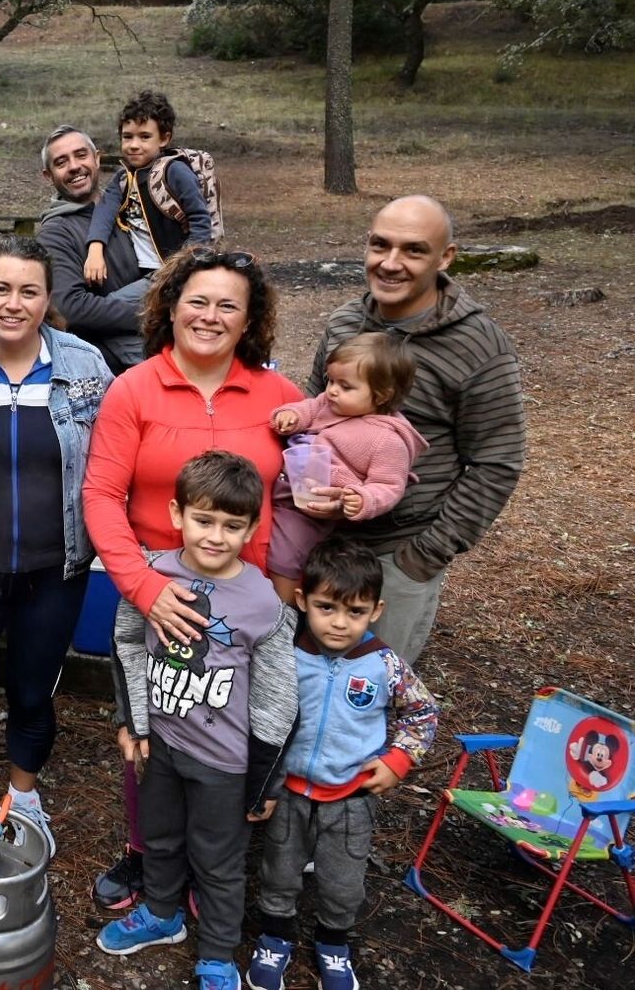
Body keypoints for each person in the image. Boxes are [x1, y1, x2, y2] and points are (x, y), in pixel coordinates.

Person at [81, 246, 300, 910]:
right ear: (170, 307)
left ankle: (218, 859)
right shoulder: (134, 388)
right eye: (196, 300)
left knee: (235, 731)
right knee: (151, 725)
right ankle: (148, 851)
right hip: (162, 594)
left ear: (250, 318)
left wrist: (287, 576)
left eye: (228, 304)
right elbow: (100, 495)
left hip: (249, 598)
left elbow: (302, 492)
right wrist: (143, 590)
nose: (210, 315)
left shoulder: (280, 396)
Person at [0, 235, 113, 852]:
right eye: (1, 288)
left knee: (34, 690)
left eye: (29, 291)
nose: (14, 303)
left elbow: (112, 463)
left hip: (55, 567)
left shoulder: (86, 367)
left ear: (48, 298)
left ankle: (24, 795)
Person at [99, 451, 298, 990]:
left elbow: (279, 695)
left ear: (252, 527)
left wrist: (265, 777)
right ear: (176, 513)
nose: (215, 536)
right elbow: (126, 647)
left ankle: (217, 952)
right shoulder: (154, 574)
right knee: (159, 838)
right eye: (203, 520)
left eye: (233, 526)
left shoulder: (262, 600)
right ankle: (163, 914)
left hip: (225, 763)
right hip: (161, 745)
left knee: (218, 861)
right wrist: (133, 723)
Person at [308, 194, 525, 663]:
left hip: (400, 551)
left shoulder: (478, 346)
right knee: (302, 690)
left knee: (370, 695)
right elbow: (314, 413)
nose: (390, 263)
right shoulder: (345, 323)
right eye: (379, 245)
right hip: (321, 543)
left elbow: (497, 462)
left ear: (446, 257)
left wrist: (425, 556)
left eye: (413, 250)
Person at [247, 537, 439, 990]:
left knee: (344, 878)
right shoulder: (286, 656)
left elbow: (423, 711)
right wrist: (261, 784)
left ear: (375, 610)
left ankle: (334, 943)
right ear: (302, 601)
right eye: (326, 607)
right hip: (289, 790)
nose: (338, 623)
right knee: (279, 868)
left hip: (351, 797)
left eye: (355, 612)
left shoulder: (383, 664)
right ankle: (275, 938)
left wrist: (398, 760)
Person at [267, 332, 426, 603]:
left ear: (381, 394)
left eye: (345, 385)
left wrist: (363, 499)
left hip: (313, 508)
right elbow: (308, 408)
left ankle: (282, 610)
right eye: (330, 380)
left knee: (285, 552)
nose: (331, 390)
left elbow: (388, 486)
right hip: (285, 485)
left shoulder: (386, 439)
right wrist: (291, 416)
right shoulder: (330, 403)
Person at [35, 124, 148, 373]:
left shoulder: (133, 208)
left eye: (81, 155)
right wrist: (154, 311)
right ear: (48, 176)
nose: (74, 166)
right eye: (61, 162)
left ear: (97, 159)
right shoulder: (55, 232)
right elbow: (69, 307)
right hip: (113, 368)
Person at [82, 91, 213, 294]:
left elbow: (200, 221)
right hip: (136, 268)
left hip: (169, 271)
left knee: (111, 306)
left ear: (164, 138)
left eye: (144, 137)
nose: (134, 145)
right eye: (127, 137)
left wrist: (183, 268)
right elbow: (104, 211)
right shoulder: (124, 178)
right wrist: (95, 249)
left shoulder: (174, 171)